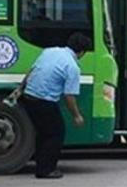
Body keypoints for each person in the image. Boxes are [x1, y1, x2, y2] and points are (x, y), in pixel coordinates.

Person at [7, 32, 91, 179]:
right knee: (56, 134)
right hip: (44, 101)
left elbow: (32, 71)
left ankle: (40, 164)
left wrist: (20, 89)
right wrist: (76, 116)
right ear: (82, 52)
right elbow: (69, 96)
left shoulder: (49, 51)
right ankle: (46, 170)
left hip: (28, 97)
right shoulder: (72, 67)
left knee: (43, 133)